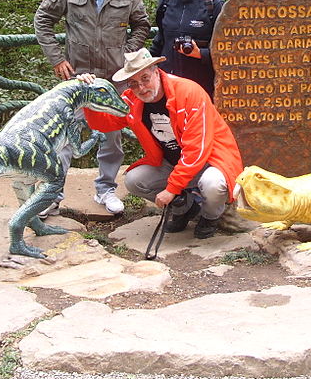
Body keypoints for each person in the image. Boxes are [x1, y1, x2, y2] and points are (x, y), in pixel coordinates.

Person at [33, 0, 150, 215]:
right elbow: (43, 18)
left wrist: (126, 55)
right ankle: (52, 194)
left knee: (112, 137)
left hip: (113, 80)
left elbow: (142, 25)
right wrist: (57, 59)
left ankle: (105, 189)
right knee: (64, 136)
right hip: (77, 78)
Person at [80, 48, 243, 239]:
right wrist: (88, 97)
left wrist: (171, 189)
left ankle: (210, 216)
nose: (141, 88)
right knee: (134, 180)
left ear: (156, 72)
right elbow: (103, 123)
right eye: (133, 83)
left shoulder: (189, 92)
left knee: (213, 185)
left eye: (145, 79)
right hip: (170, 162)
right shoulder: (131, 100)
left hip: (210, 160)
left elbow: (196, 151)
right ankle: (184, 209)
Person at [149, 0, 224, 99]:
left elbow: (226, 50)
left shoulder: (213, 3)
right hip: (168, 84)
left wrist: (200, 54)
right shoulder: (166, 1)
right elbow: (160, 41)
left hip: (200, 86)